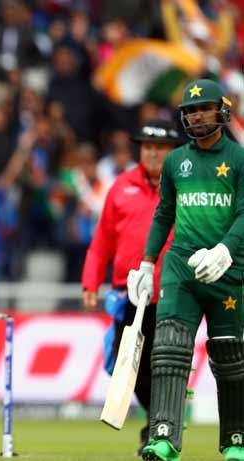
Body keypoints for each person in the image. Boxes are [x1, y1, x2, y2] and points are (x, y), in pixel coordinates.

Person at [128, 79, 244, 461]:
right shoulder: (177, 160)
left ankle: (235, 442)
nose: (196, 116)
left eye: (203, 109)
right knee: (168, 351)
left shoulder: (239, 158)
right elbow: (164, 214)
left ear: (222, 111)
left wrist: (226, 250)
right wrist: (147, 264)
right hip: (181, 268)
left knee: (231, 358)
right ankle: (164, 437)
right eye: (190, 110)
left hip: (228, 271)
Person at [81, 119, 182, 456]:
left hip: (172, 292)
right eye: (148, 146)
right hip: (130, 293)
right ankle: (159, 424)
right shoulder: (121, 186)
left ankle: (159, 429)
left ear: (172, 151)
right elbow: (101, 241)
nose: (153, 153)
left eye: (160, 147)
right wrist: (90, 281)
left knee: (165, 365)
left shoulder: (184, 186)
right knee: (129, 367)